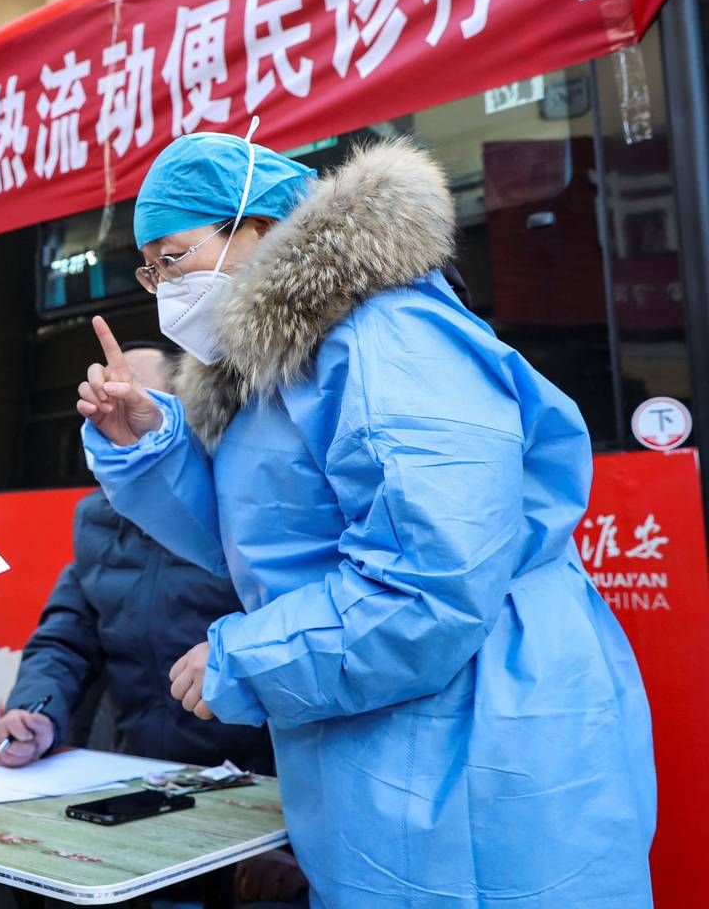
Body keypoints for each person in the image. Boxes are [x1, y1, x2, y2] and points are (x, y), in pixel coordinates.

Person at [76, 131, 655, 907]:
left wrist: (248, 661)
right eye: (151, 269)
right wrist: (152, 445)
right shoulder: (280, 368)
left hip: (480, 734)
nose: (161, 287)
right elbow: (258, 545)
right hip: (391, 732)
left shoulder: (389, 340)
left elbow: (431, 587)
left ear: (254, 227)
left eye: (173, 258)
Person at [0, 342, 302, 907]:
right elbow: (67, 635)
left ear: (178, 410)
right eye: (102, 399)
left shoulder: (239, 512)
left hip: (250, 799)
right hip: (141, 791)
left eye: (133, 395)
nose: (117, 409)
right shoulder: (96, 517)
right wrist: (34, 709)